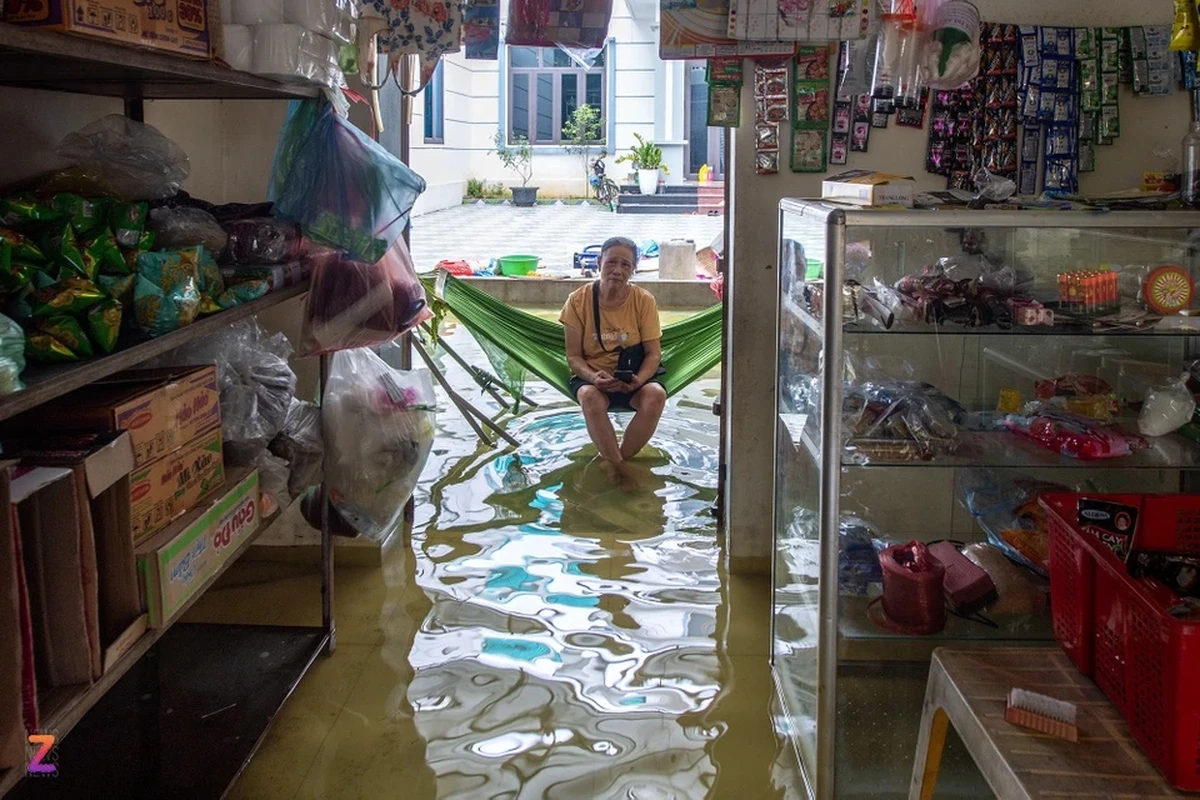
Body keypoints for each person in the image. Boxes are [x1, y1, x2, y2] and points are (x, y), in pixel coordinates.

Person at [560, 236, 667, 481]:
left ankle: (614, 462)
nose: (617, 270)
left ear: (633, 270)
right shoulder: (577, 301)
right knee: (589, 397)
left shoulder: (643, 301)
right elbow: (573, 357)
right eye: (611, 263)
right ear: (599, 263)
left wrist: (639, 380)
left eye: (626, 265)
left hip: (633, 377)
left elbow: (653, 354)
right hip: (592, 378)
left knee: (656, 396)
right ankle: (621, 468)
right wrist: (592, 377)